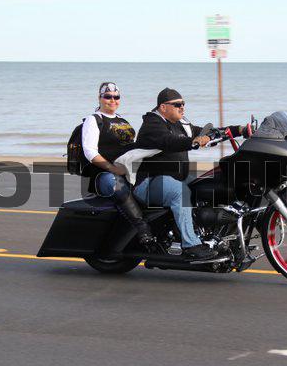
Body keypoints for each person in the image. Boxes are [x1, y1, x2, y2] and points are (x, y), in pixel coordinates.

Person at [134, 87, 246, 260]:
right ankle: (190, 245)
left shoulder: (181, 125)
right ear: (163, 107)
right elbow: (169, 141)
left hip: (176, 178)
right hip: (149, 183)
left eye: (183, 104)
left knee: (211, 183)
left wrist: (239, 130)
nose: (182, 107)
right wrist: (194, 141)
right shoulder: (152, 125)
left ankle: (217, 236)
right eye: (177, 104)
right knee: (180, 191)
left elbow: (206, 132)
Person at [82, 82, 153, 246]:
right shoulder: (94, 120)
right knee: (117, 186)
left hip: (128, 169)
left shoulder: (122, 120)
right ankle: (142, 228)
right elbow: (90, 152)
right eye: (108, 97)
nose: (112, 100)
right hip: (104, 175)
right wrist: (113, 169)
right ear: (99, 98)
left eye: (116, 97)